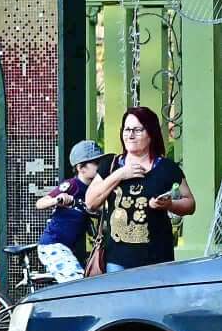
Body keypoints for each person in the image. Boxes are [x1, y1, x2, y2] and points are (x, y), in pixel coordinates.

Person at [84, 106, 192, 272]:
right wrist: (119, 175)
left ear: (151, 133)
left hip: (158, 259)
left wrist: (169, 205)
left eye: (137, 130)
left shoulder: (166, 168)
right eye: (127, 129)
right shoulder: (110, 165)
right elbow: (90, 202)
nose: (130, 135)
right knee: (119, 298)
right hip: (117, 259)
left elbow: (190, 204)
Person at [33, 139, 105, 281]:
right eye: (96, 163)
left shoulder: (95, 189)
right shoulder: (72, 185)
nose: (100, 166)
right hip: (54, 245)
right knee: (76, 282)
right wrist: (58, 199)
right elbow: (40, 203)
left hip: (70, 248)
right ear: (81, 167)